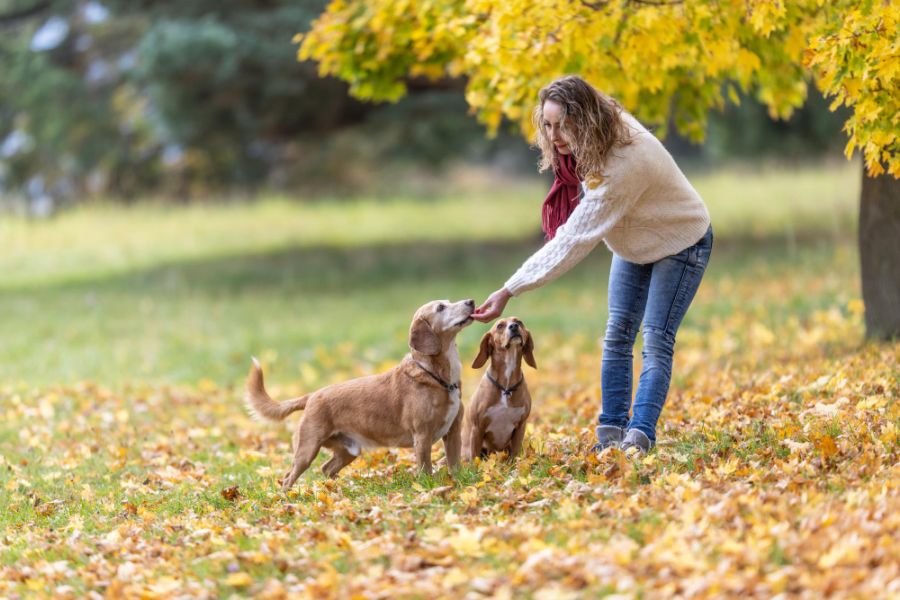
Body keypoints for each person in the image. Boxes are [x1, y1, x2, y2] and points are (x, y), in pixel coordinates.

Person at [472, 75, 713, 455]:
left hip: (680, 241)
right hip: (635, 244)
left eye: (563, 125)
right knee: (617, 334)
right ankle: (610, 436)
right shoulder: (596, 135)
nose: (554, 136)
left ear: (585, 119)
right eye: (547, 125)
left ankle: (639, 438)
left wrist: (509, 289)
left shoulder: (623, 164)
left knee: (655, 339)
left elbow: (572, 240)